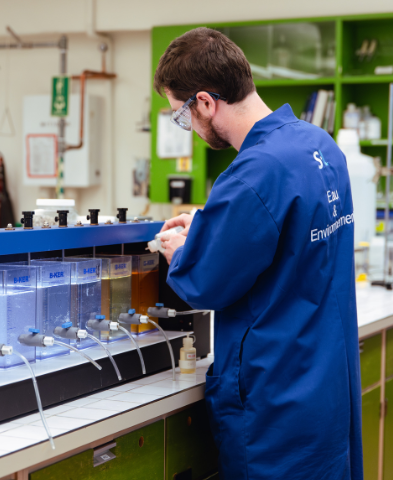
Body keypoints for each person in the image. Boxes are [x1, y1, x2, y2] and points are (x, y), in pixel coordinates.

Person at [153, 27, 362, 480]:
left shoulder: (253, 172)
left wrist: (184, 249)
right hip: (325, 382)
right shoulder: (318, 145)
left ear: (205, 102)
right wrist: (211, 228)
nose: (187, 127)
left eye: (181, 115)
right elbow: (284, 243)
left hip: (277, 397)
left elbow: (207, 281)